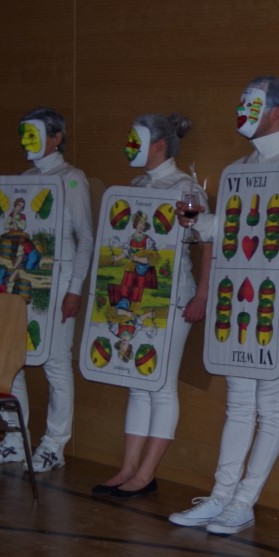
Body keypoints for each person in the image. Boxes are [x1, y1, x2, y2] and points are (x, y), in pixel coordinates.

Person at [168, 76, 279, 535]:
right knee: (238, 403)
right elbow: (229, 231)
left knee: (270, 403)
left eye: (252, 103)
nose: (240, 110)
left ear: (277, 112)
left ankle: (244, 501)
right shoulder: (237, 170)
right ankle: (221, 496)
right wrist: (196, 221)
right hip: (240, 300)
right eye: (240, 101)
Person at [92, 113, 210, 498]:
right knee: (136, 383)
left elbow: (209, 242)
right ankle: (128, 468)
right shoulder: (137, 186)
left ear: (158, 144)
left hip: (171, 296)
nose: (129, 146)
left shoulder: (186, 187)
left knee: (160, 383)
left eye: (136, 140)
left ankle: (145, 473)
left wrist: (203, 294)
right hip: (134, 293)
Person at [0, 107, 95, 473]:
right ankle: (16, 438)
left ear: (56, 137)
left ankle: (55, 444)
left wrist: (75, 289)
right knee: (11, 359)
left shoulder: (72, 179)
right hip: (20, 281)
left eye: (34, 133)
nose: (26, 141)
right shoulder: (24, 180)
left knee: (56, 363)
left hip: (57, 284)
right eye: (24, 134)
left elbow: (86, 237)